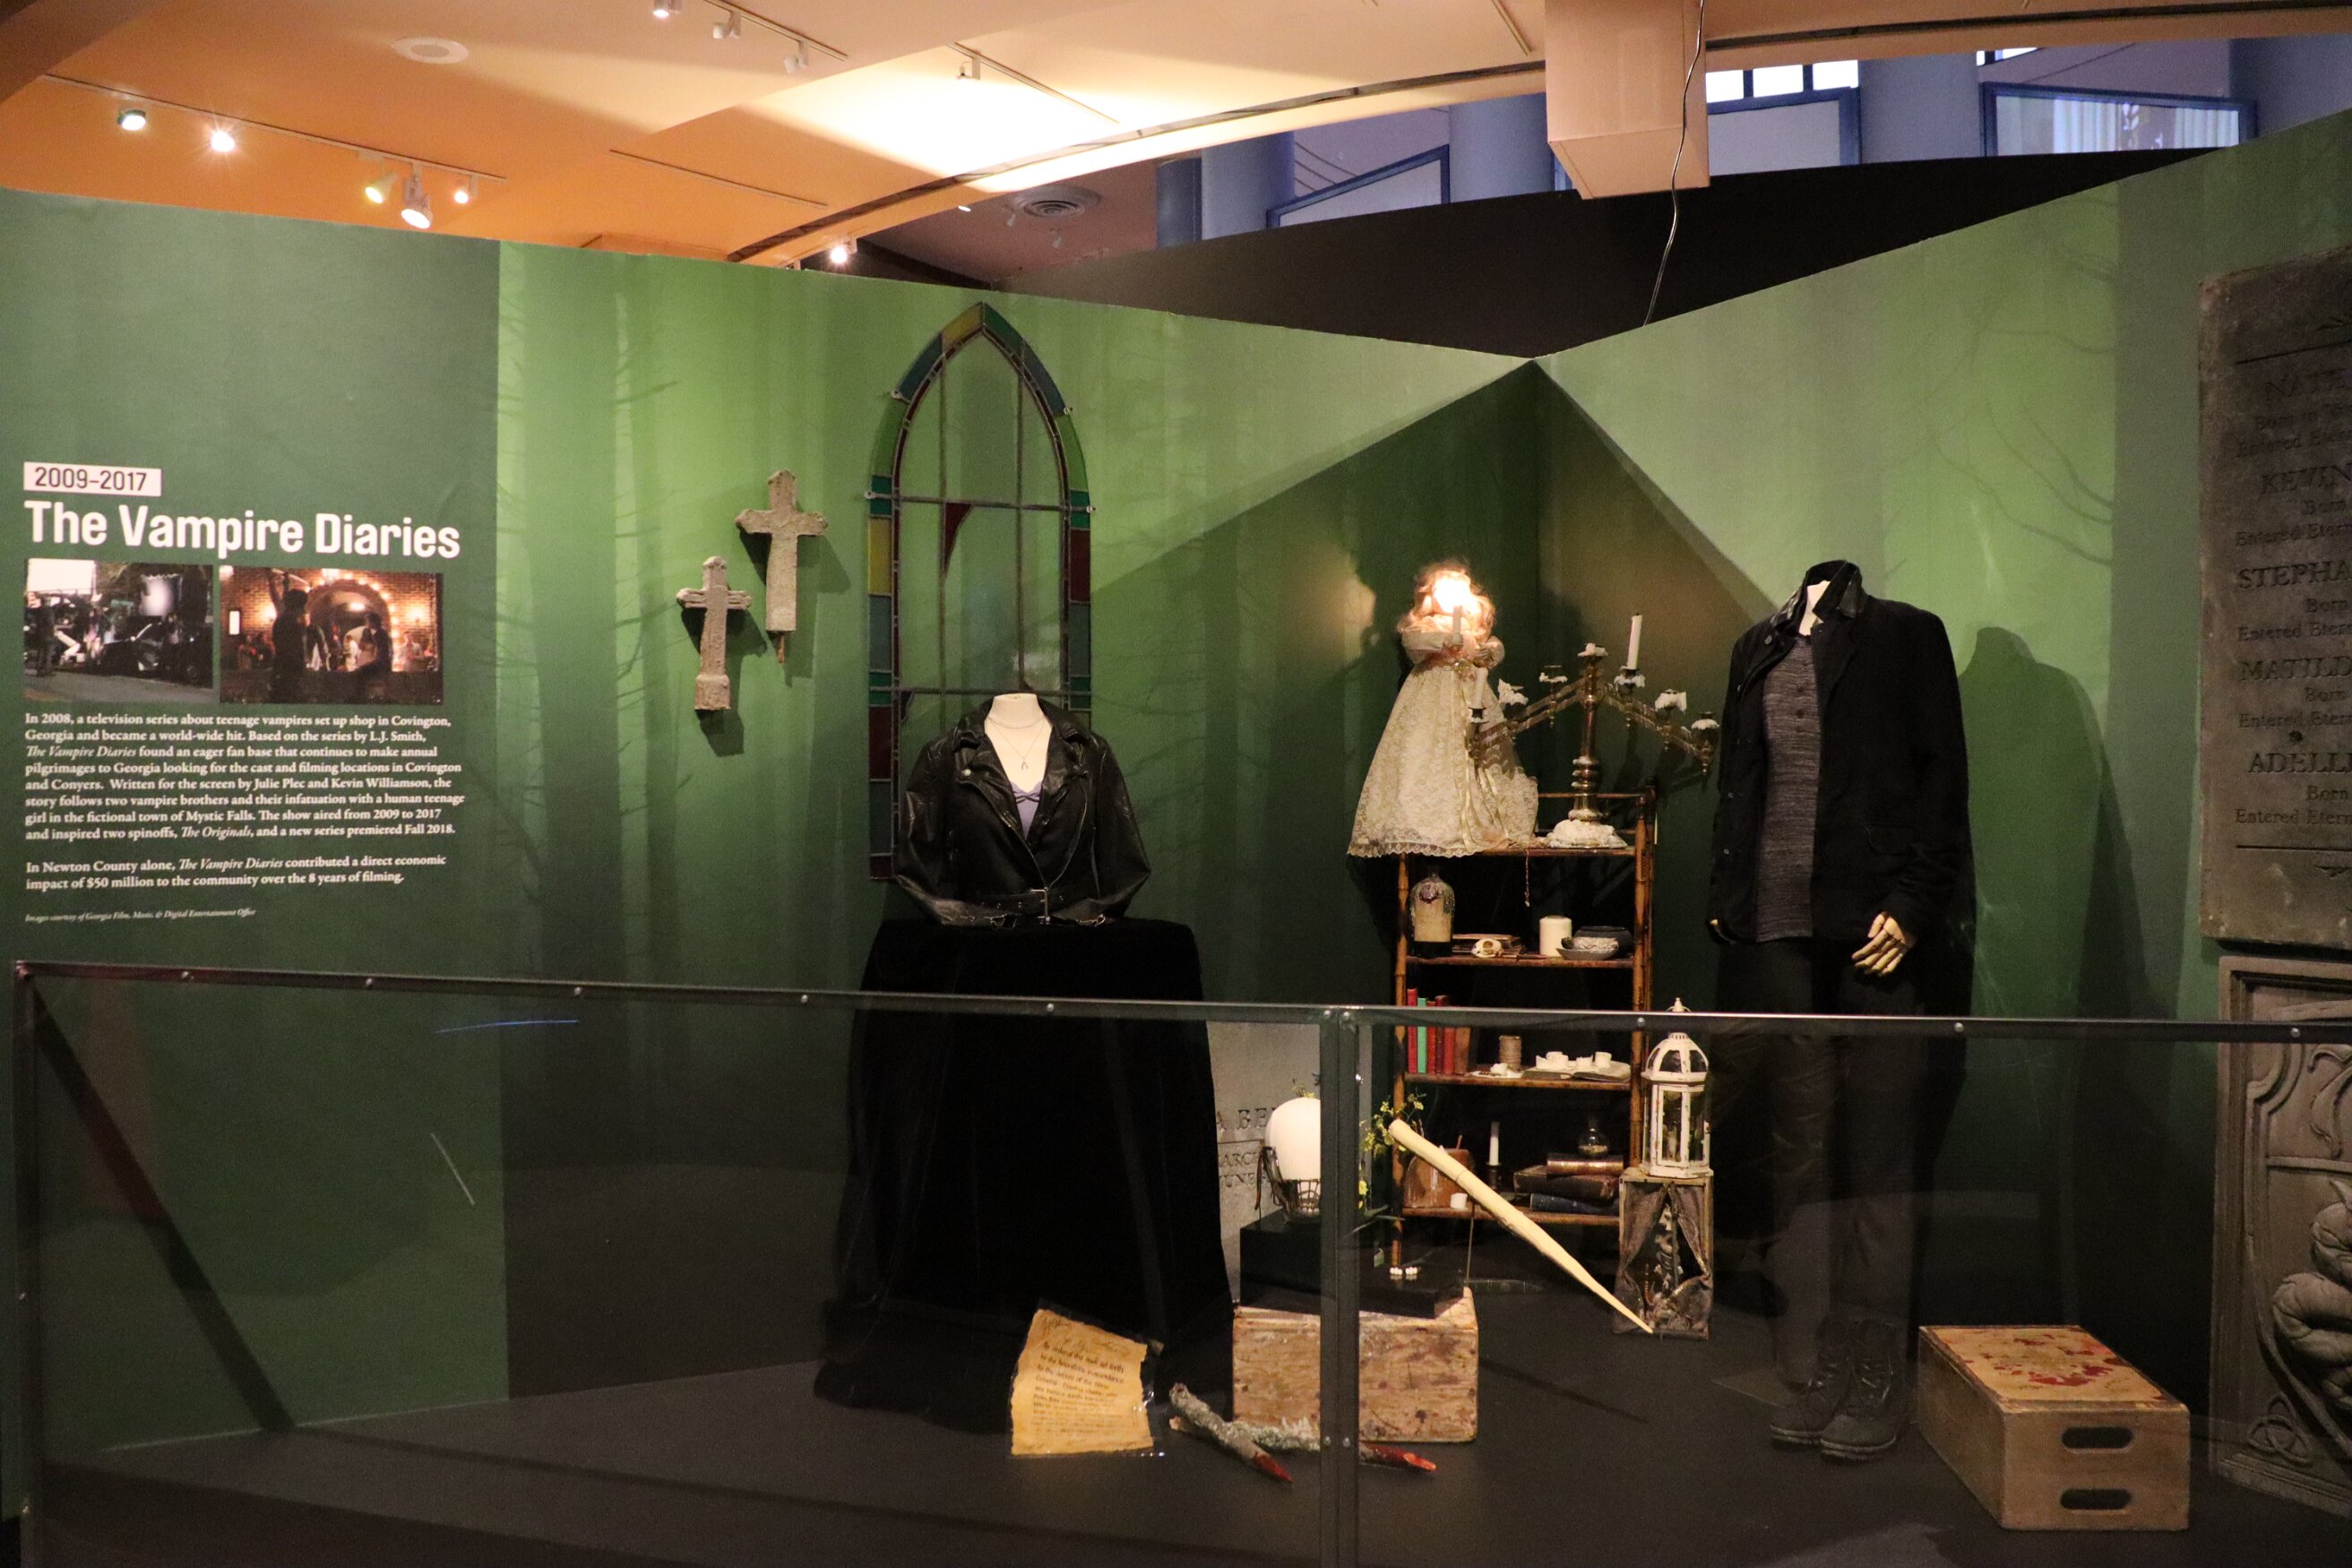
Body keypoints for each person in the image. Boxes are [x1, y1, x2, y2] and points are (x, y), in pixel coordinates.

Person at [1706, 559, 1971, 1464]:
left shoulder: (1904, 634)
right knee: (1803, 1152)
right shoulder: (1757, 646)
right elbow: (1740, 778)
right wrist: (1728, 896)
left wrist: (1915, 903)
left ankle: (1876, 1365)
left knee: (1880, 1158)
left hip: (1873, 931)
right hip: (1781, 933)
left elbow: (1942, 780)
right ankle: (1817, 1360)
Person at [1348, 564, 1536, 857]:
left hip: (1471, 696)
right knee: (1425, 752)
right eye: (1442, 591)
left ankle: (1482, 818)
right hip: (1431, 695)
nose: (1449, 598)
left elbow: (1493, 646)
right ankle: (1428, 824)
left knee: (1479, 754)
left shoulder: (1471, 627)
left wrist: (1489, 651)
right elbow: (1413, 641)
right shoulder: (1426, 625)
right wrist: (1444, 641)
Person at [266, 573, 310, 703]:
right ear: (298, 606)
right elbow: (291, 651)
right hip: (288, 675)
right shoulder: (289, 623)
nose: (304, 609)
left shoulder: (284, 620)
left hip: (284, 672)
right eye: (302, 606)